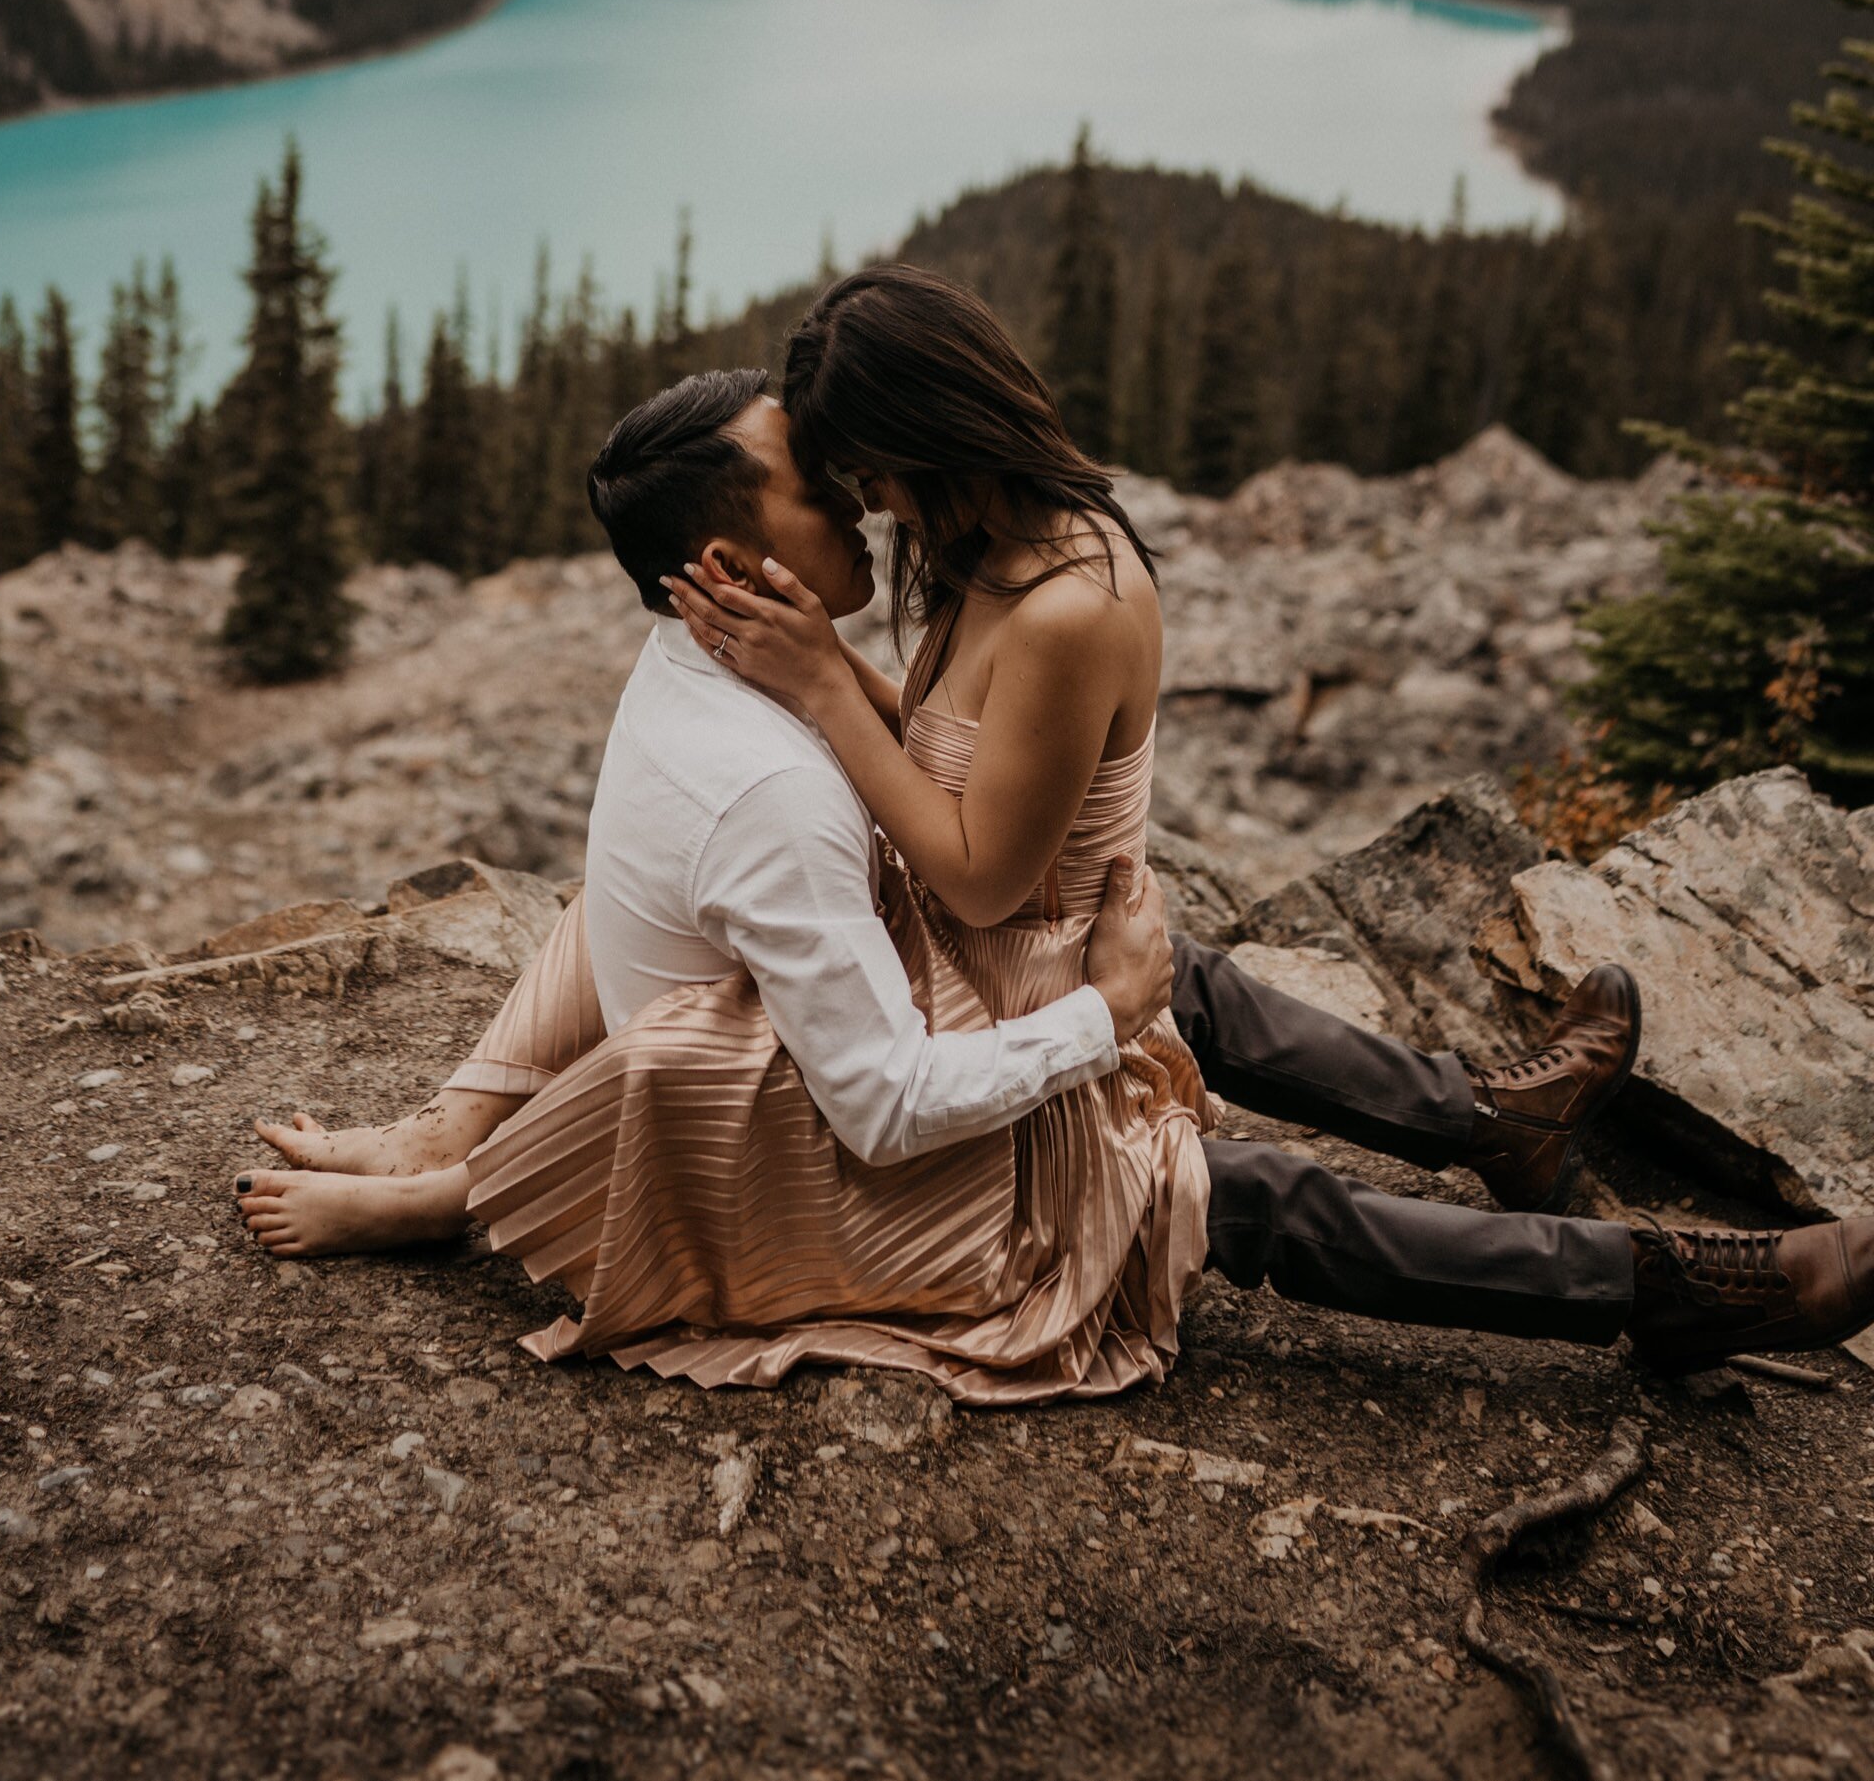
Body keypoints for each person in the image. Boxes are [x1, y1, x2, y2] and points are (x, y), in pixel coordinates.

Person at [238, 275, 1874, 1394]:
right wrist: (835, 679)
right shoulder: (954, 556)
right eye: (839, 479)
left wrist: (825, 686)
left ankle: (1647, 1261)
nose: (862, 500)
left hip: (1003, 941)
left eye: (864, 467)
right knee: (1207, 1064)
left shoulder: (1067, 596)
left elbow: (973, 868)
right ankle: (1531, 1157)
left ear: (929, 448)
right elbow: (938, 825)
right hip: (995, 964)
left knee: (1227, 1155)